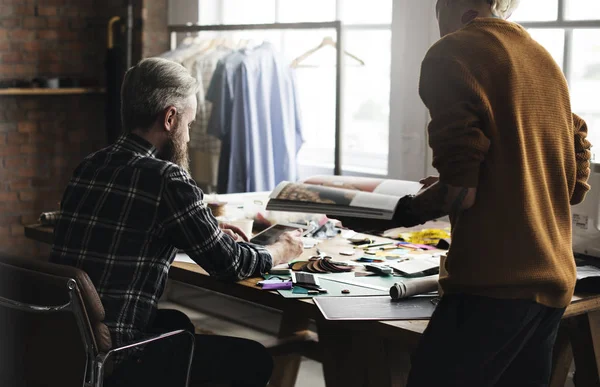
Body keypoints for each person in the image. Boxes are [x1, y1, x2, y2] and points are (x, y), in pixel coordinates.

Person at [339, 0, 592, 385]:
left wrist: (396, 211)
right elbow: (570, 186)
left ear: (457, 9)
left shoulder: (454, 51)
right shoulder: (541, 59)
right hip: (554, 278)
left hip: (495, 285)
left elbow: (461, 195)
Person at [50, 57, 304, 387]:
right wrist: (281, 249)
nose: (188, 136)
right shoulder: (168, 179)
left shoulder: (91, 164)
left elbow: (132, 222)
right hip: (115, 356)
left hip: (64, 342)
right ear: (170, 118)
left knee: (177, 322)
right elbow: (229, 265)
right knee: (252, 359)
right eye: (189, 124)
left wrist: (203, 226)